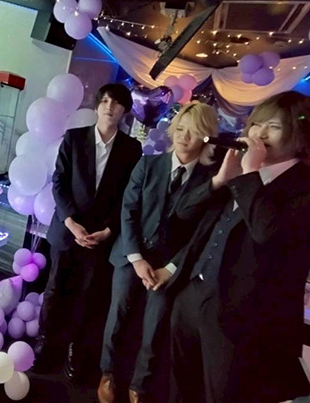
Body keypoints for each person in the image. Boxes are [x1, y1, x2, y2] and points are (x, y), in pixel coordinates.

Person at [154, 91, 310, 403]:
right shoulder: (237, 171)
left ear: (301, 136)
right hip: (193, 296)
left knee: (222, 395)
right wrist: (220, 180)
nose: (259, 134)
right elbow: (182, 214)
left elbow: (267, 233)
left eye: (274, 127)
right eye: (257, 124)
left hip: (246, 319)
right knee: (179, 387)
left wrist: (250, 174)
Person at [98, 102, 218, 403]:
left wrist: (172, 268)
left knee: (155, 325)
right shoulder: (148, 164)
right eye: (180, 129)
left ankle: (139, 384)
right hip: (131, 254)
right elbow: (128, 212)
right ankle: (107, 373)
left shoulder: (211, 181)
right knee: (117, 314)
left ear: (206, 137)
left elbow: (201, 234)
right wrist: (137, 259)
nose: (184, 137)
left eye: (193, 132)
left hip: (169, 264)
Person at [33, 83, 142, 383]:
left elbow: (128, 195)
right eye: (104, 101)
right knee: (55, 289)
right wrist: (70, 222)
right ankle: (45, 341)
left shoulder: (132, 149)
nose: (109, 107)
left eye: (116, 103)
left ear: (124, 110)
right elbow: (59, 182)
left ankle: (75, 347)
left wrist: (109, 230)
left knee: (88, 295)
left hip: (101, 237)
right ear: (96, 106)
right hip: (68, 230)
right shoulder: (74, 137)